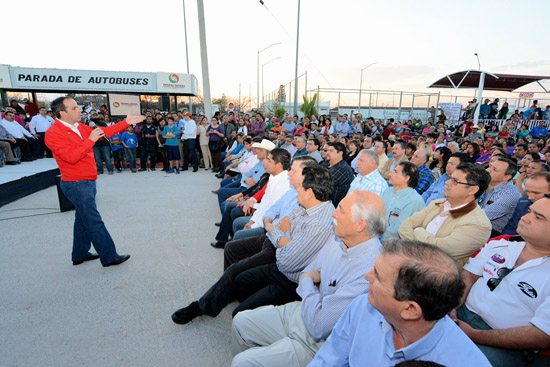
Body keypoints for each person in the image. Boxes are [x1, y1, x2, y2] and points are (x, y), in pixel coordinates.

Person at [231, 191, 387, 367]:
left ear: (360, 225)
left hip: (318, 343)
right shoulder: (337, 238)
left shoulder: (371, 270)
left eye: (341, 210)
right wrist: (309, 283)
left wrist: (307, 281)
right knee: (240, 322)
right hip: (302, 311)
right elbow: (307, 274)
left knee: (242, 362)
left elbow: (319, 326)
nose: (334, 213)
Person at [171, 166, 335, 325]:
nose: (296, 187)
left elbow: (285, 261)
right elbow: (281, 226)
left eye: (300, 186)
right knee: (237, 274)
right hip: (277, 256)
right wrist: (284, 241)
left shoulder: (318, 224)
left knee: (239, 311)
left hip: (288, 279)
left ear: (310, 192)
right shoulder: (307, 205)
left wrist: (280, 238)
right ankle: (219, 298)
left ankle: (206, 306)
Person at [308, 239, 491, 367]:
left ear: (410, 309)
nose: (367, 276)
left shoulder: (464, 362)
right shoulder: (362, 307)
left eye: (378, 276)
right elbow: (328, 360)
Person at [452, 196, 550, 367]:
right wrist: (451, 305)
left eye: (538, 217)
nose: (525, 217)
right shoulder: (501, 242)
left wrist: (474, 334)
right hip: (461, 313)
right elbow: (469, 276)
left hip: (506, 342)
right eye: (529, 211)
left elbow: (541, 335)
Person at [45, 96, 143, 267]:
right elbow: (71, 157)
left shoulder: (78, 126)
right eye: (74, 108)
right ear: (62, 112)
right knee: (93, 220)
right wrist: (90, 140)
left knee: (82, 219)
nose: (79, 110)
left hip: (87, 181)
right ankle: (109, 256)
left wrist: (125, 122)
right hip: (77, 184)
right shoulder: (53, 133)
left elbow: (103, 133)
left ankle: (80, 254)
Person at [400, 163, 492, 267]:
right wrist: (428, 243)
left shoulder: (478, 224)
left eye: (455, 181)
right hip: (408, 263)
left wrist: (418, 230)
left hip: (434, 277)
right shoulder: (438, 203)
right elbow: (404, 227)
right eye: (450, 178)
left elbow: (439, 251)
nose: (447, 182)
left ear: (472, 190)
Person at [381, 161, 425, 240]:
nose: (390, 174)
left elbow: (397, 230)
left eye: (395, 172)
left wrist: (375, 237)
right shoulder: (387, 191)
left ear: (406, 178)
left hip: (395, 244)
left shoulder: (414, 201)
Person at [478, 157, 522, 236]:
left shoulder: (511, 194)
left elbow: (483, 216)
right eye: (490, 166)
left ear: (506, 177)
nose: (487, 170)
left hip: (490, 231)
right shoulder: (480, 183)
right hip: (471, 223)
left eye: (494, 169)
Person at [325, 142, 355, 207]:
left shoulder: (342, 168)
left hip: (333, 209)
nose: (327, 153)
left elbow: (321, 185)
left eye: (331, 151)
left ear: (340, 153)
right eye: (327, 150)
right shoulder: (327, 165)